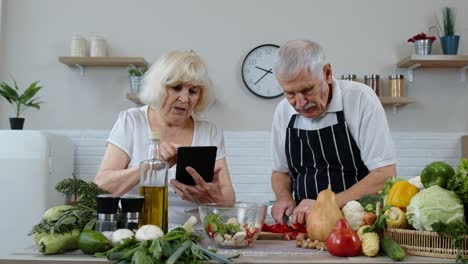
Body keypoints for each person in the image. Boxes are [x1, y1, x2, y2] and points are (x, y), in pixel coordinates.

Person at [95, 50, 236, 224]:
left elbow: (228, 201)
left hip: (191, 235)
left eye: (193, 91)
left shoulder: (209, 132)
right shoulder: (131, 121)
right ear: (159, 88)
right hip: (135, 232)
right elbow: (102, 188)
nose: (184, 99)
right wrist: (151, 167)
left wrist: (210, 197)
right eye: (176, 87)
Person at [270, 40, 396, 225]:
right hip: (305, 226)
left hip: (357, 225)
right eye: (290, 94)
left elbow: (385, 175)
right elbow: (280, 172)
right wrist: (283, 197)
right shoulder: (283, 111)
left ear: (327, 73)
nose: (301, 102)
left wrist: (326, 204)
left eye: (307, 90)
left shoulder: (360, 99)